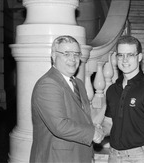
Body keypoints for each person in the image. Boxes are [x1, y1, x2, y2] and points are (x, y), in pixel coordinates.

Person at [29, 35, 105, 163]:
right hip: (56, 158)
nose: (73, 59)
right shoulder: (48, 83)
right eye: (66, 54)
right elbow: (59, 125)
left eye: (76, 54)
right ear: (53, 56)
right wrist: (92, 133)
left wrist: (94, 126)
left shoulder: (79, 84)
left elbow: (82, 118)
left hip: (79, 155)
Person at [101, 35, 144, 163]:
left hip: (138, 157)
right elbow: (109, 123)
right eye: (120, 55)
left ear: (139, 57)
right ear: (116, 57)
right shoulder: (112, 90)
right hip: (113, 155)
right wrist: (99, 132)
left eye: (130, 55)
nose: (124, 60)